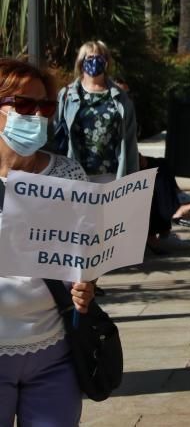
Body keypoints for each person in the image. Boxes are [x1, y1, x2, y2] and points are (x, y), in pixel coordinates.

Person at [0, 58, 96, 426]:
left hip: (54, 354)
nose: (35, 115)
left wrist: (87, 283)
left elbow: (84, 253)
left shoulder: (68, 173)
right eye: (23, 105)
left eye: (44, 106)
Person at [55, 40, 139, 184]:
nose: (95, 62)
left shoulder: (120, 98)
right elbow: (54, 133)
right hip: (74, 174)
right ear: (81, 62)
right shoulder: (67, 95)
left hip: (111, 176)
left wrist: (133, 180)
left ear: (106, 62)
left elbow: (130, 140)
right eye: (90, 58)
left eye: (99, 58)